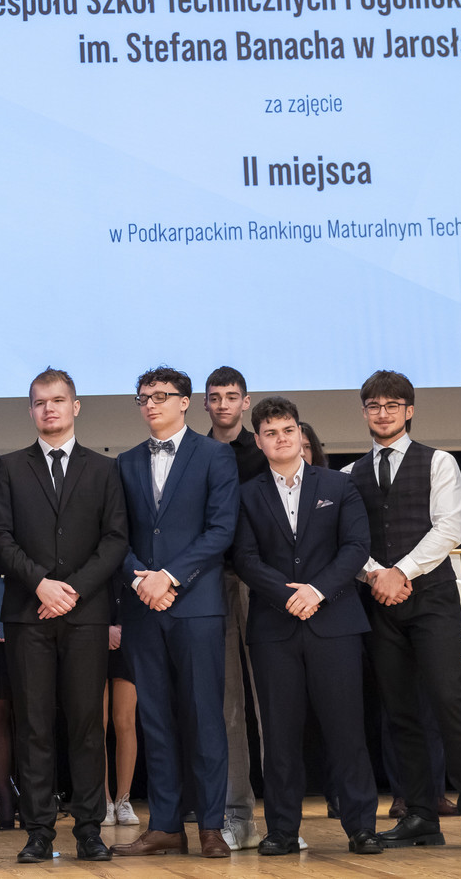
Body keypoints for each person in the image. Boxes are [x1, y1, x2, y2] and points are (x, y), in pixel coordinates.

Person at [342, 370, 461, 850]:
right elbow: (347, 542)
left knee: (450, 702)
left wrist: (400, 572)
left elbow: (448, 528)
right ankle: (421, 816)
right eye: (374, 405)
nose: (382, 413)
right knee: (400, 712)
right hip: (379, 603)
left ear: (409, 410)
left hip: (433, 600)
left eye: (392, 405)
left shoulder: (440, 462)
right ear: (364, 412)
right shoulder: (348, 474)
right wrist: (375, 575)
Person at [0, 368, 129, 864]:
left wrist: (73, 590)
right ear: (31, 410)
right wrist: (41, 583)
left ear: (76, 406)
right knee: (33, 725)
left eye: (58, 400)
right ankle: (39, 832)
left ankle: (90, 830)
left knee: (87, 724)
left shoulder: (105, 469)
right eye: (41, 402)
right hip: (28, 613)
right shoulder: (8, 467)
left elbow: (115, 539)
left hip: (86, 615)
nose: (50, 409)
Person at [232, 396, 382, 855]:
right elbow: (244, 559)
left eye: (288, 430)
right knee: (279, 736)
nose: (281, 439)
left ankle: (361, 827)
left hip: (335, 623)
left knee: (347, 731)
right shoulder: (246, 494)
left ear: (301, 434)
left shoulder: (339, 484)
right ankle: (281, 830)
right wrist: (287, 595)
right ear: (259, 441)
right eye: (271, 433)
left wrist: (316, 591)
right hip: (274, 629)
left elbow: (356, 547)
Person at [111, 367, 237, 860]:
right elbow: (115, 536)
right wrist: (141, 579)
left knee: (204, 717)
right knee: (156, 720)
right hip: (143, 608)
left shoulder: (215, 455)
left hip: (197, 605)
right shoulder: (124, 462)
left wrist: (170, 577)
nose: (150, 404)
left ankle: (210, 825)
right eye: (143, 398)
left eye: (160, 396)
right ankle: (165, 825)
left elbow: (221, 529)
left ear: (185, 402)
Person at [201, 366, 268, 851]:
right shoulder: (194, 452)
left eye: (231, 396)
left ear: (245, 402)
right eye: (215, 396)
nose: (223, 404)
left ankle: (282, 818)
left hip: (261, 584)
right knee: (226, 708)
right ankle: (236, 816)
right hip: (210, 584)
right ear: (204, 403)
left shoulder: (264, 450)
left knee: (271, 704)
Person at [102, 589, 138, 828]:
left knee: (125, 720)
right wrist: (103, 629)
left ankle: (123, 799)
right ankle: (103, 800)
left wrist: (124, 627)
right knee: (97, 723)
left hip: (129, 632)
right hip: (92, 632)